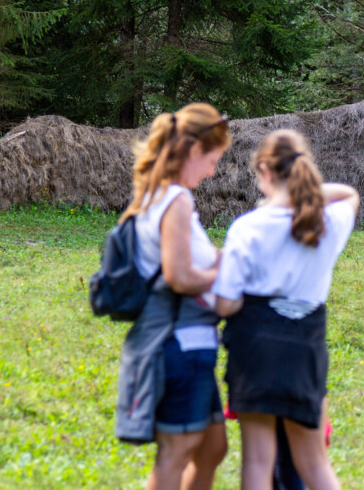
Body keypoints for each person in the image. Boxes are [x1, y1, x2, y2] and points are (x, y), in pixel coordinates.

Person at [213, 129, 359, 490]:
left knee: (258, 462)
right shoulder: (328, 222)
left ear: (264, 171)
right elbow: (350, 195)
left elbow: (225, 304)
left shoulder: (247, 228)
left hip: (255, 350)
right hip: (305, 348)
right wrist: (302, 196)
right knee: (314, 463)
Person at [117, 103, 231, 490]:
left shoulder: (164, 197)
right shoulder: (175, 200)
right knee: (176, 453)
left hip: (190, 343)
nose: (213, 171)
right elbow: (179, 274)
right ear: (195, 150)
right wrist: (224, 272)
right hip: (178, 343)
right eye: (213, 160)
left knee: (212, 448)